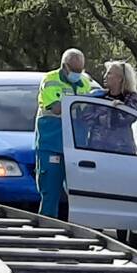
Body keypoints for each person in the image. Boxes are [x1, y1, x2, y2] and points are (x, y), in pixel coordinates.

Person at [36, 48, 93, 218]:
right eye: (74, 70)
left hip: (76, 145)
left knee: (78, 196)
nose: (77, 74)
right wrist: (77, 106)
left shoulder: (85, 83)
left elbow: (88, 111)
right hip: (52, 143)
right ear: (64, 66)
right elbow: (56, 108)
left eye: (80, 70)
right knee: (50, 193)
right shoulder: (50, 80)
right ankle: (46, 232)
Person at [87, 60, 137, 154]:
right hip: (96, 150)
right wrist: (106, 115)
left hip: (121, 151)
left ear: (120, 78)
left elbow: (125, 118)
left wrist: (117, 110)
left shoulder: (131, 98)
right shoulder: (99, 96)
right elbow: (86, 117)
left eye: (109, 74)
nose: (104, 76)